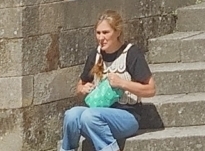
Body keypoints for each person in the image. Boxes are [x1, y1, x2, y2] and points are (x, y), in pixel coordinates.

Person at [60, 12, 156, 151]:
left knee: (90, 116)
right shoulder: (95, 55)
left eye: (105, 32)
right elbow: (80, 86)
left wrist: (122, 83)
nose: (101, 38)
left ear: (117, 32)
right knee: (71, 115)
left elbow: (151, 89)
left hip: (127, 115)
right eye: (98, 33)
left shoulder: (131, 54)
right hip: (96, 115)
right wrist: (82, 89)